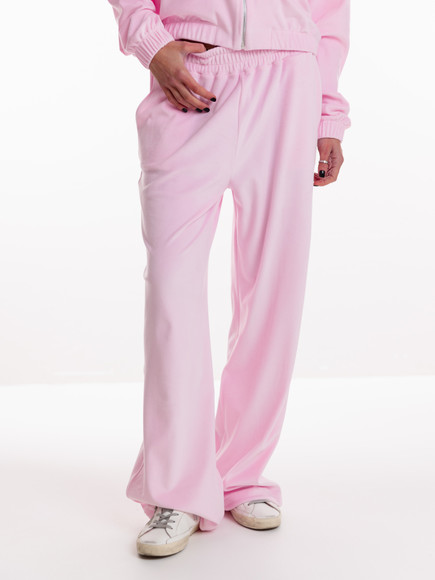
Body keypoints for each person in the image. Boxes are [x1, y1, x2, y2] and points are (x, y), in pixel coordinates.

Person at [107, 0, 351, 558]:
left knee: (272, 291)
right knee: (173, 293)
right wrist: (152, 44)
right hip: (191, 78)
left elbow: (331, 11)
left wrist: (328, 113)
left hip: (288, 79)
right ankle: (177, 490)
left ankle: (241, 473)